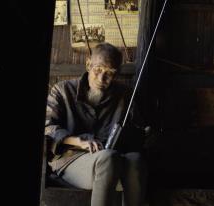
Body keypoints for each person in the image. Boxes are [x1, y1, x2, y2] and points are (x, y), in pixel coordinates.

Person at [45, 43, 147, 206]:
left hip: (111, 158)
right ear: (88, 64)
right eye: (98, 70)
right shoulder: (62, 90)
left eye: (110, 73)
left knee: (135, 159)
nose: (102, 78)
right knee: (108, 158)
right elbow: (48, 128)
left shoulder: (125, 95)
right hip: (72, 159)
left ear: (117, 73)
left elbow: (138, 135)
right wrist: (78, 141)